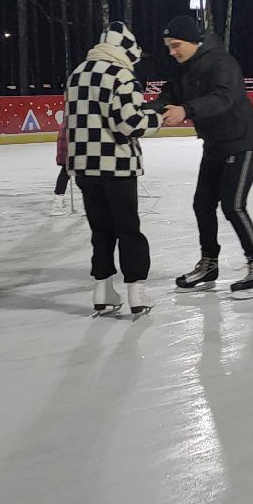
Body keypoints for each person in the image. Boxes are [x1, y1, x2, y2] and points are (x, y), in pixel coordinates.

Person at [152, 15, 253, 299]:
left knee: (233, 205)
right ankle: (209, 264)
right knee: (202, 204)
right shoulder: (182, 67)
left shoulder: (222, 62)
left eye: (176, 45)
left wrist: (186, 110)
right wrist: (146, 111)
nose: (172, 52)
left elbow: (224, 98)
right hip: (215, 145)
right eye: (168, 46)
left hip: (242, 141)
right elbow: (167, 97)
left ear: (193, 40)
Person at [63, 22, 164, 317]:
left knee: (101, 231)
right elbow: (129, 123)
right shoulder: (120, 75)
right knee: (128, 229)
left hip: (83, 166)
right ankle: (136, 293)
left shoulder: (76, 74)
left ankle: (103, 290)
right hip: (116, 165)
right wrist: (156, 119)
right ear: (126, 51)